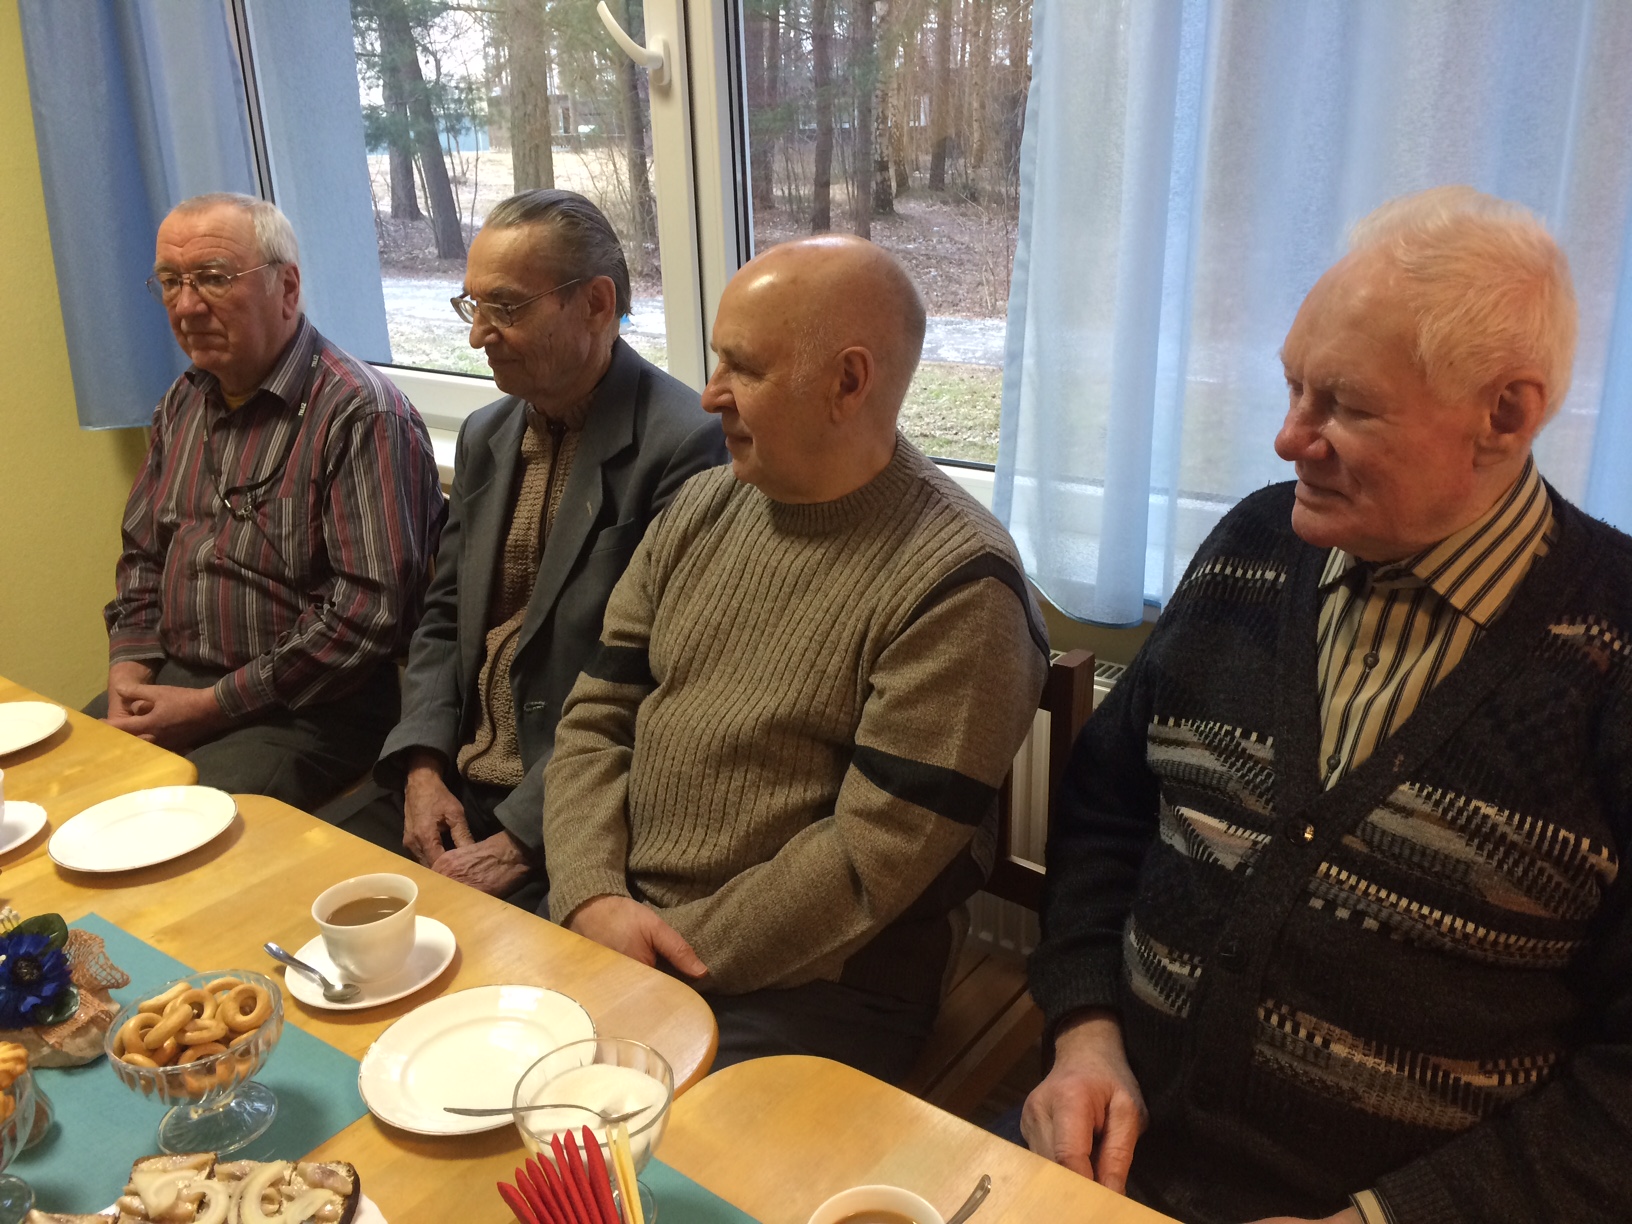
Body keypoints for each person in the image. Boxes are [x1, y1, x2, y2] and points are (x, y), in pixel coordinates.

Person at [1022, 185, 1632, 1224]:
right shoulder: (1252, 549)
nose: (1287, 438)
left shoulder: (1611, 660)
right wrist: (1084, 1031)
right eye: (1293, 387)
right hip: (1112, 1168)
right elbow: (1104, 814)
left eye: (1344, 407)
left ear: (1505, 415)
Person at [540, 235, 1051, 1082]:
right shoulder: (701, 506)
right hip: (621, 919)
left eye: (743, 368)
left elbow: (864, 868)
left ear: (849, 383)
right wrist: (592, 892)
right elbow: (596, 716)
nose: (710, 394)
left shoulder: (961, 587)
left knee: (616, 1138)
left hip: (820, 981)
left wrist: (661, 952)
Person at [346, 190, 725, 908]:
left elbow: (661, 682)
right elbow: (442, 618)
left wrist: (520, 838)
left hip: (578, 811)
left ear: (597, 304)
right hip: (455, 780)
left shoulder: (686, 447)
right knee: (302, 900)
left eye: (506, 308)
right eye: (472, 306)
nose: (477, 337)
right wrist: (422, 768)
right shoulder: (487, 435)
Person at [95, 193, 444, 810]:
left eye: (213, 278)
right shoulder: (182, 402)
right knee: (66, 784)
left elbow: (367, 616)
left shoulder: (362, 415)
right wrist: (129, 672)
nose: (186, 306)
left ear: (287, 288)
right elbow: (143, 557)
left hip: (312, 709)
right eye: (171, 282)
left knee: (163, 823)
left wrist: (210, 706)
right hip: (176, 679)